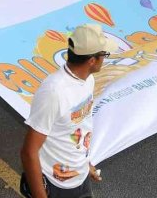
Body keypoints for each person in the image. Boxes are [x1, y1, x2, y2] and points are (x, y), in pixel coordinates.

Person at [20, 23, 111, 198]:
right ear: (92, 60)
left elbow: (80, 127)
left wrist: (85, 164)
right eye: (104, 54)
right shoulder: (53, 92)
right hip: (55, 185)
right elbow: (28, 152)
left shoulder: (88, 80)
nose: (105, 58)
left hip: (80, 177)